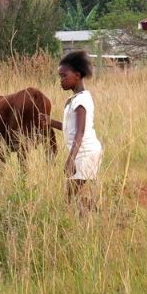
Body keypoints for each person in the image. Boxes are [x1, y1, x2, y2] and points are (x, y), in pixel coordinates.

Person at [58, 49, 102, 201]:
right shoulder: (76, 99)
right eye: (60, 76)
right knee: (77, 197)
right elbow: (71, 128)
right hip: (82, 153)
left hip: (84, 153)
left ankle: (91, 220)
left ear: (77, 76)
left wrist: (70, 159)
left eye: (64, 76)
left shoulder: (81, 101)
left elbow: (79, 133)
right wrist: (50, 123)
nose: (61, 80)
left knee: (70, 198)